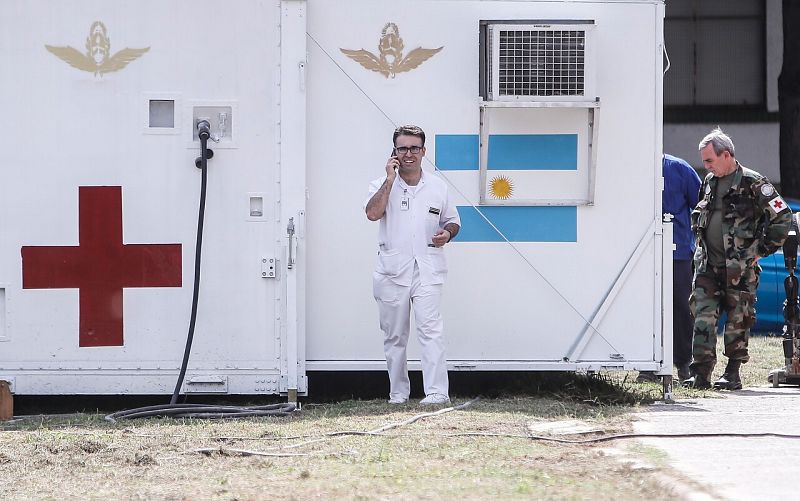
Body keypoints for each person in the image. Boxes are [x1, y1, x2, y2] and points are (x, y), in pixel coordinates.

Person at [683, 127, 792, 390]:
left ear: (727, 155)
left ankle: (732, 374)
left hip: (740, 268)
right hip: (708, 265)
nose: (706, 166)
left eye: (710, 160)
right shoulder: (709, 182)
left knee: (738, 319)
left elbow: (783, 217)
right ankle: (702, 374)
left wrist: (759, 251)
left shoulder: (755, 183)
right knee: (703, 318)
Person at [365, 125, 461, 405]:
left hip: (427, 269)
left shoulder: (437, 186)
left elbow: (453, 220)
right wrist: (389, 179)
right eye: (403, 148)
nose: (409, 154)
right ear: (394, 151)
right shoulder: (381, 184)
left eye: (414, 148)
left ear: (424, 151)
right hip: (392, 271)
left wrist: (448, 233)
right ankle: (398, 393)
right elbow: (373, 213)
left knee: (431, 331)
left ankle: (436, 392)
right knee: (394, 335)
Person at [637, 154, 701, 384]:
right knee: (646, 308)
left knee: (682, 307)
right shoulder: (632, 167)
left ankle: (684, 364)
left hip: (679, 253)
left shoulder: (680, 169)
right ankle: (647, 364)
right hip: (641, 255)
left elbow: (701, 207)